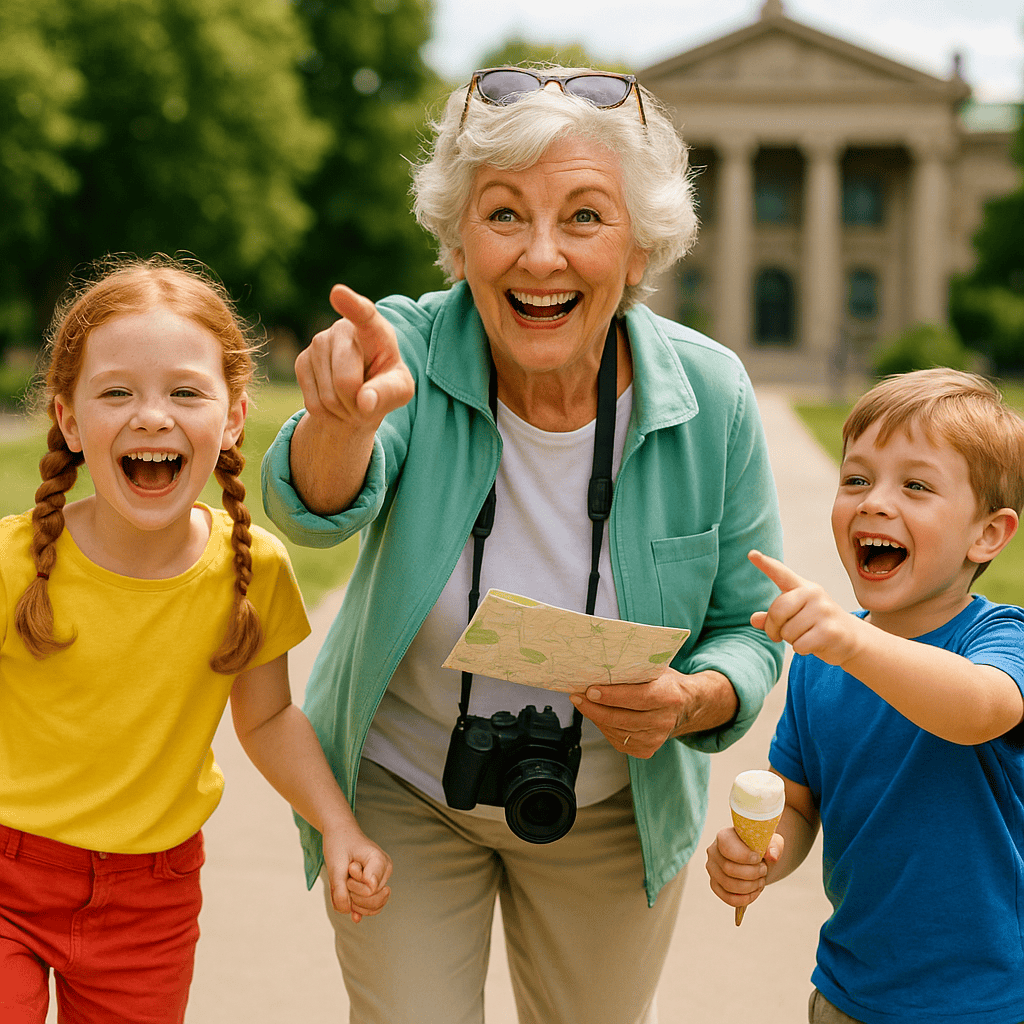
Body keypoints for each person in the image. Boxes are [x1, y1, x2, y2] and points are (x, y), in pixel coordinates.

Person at [263, 66, 783, 1024]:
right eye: (504, 215)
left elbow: (750, 629)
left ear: (640, 246)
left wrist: (691, 699)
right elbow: (311, 511)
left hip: (611, 801)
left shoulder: (713, 396)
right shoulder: (407, 349)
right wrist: (338, 423)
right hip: (407, 782)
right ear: (459, 241)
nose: (542, 257)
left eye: (584, 217)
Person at [0, 256, 392, 1024]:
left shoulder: (251, 571)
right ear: (70, 420)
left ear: (234, 416)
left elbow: (268, 719)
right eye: (117, 392)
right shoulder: (13, 563)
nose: (152, 417)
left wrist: (340, 828)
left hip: (151, 901)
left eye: (184, 392)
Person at [706, 368, 1024, 1024]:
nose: (875, 502)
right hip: (849, 994)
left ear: (988, 534)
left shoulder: (999, 638)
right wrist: (763, 851)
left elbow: (980, 709)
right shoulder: (821, 662)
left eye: (916, 485)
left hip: (989, 1003)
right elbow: (799, 803)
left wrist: (851, 644)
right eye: (856, 479)